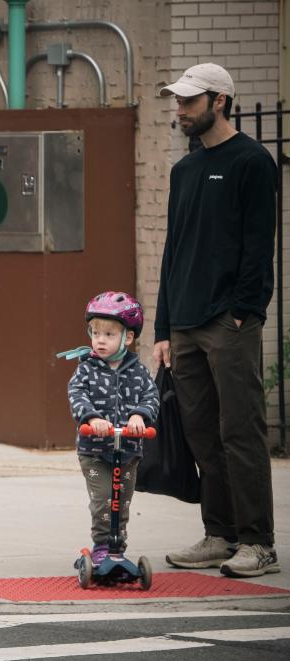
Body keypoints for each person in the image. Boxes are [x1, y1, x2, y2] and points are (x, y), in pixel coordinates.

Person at [155, 63, 279, 578]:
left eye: (188, 101)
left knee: (240, 432)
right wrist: (163, 328)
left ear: (219, 101)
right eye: (177, 101)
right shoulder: (183, 170)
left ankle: (259, 542)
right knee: (201, 434)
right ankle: (220, 533)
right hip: (183, 323)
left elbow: (259, 247)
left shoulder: (253, 161)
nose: (179, 110)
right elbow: (173, 251)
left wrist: (243, 312)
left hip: (228, 324)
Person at [65, 292, 159, 564]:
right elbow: (77, 393)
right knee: (104, 499)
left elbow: (151, 396)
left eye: (108, 334)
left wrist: (140, 416)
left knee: (122, 501)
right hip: (94, 450)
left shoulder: (137, 371)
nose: (100, 340)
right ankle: (101, 546)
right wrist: (92, 419)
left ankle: (118, 547)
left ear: (128, 338)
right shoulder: (87, 369)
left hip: (128, 449)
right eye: (95, 333)